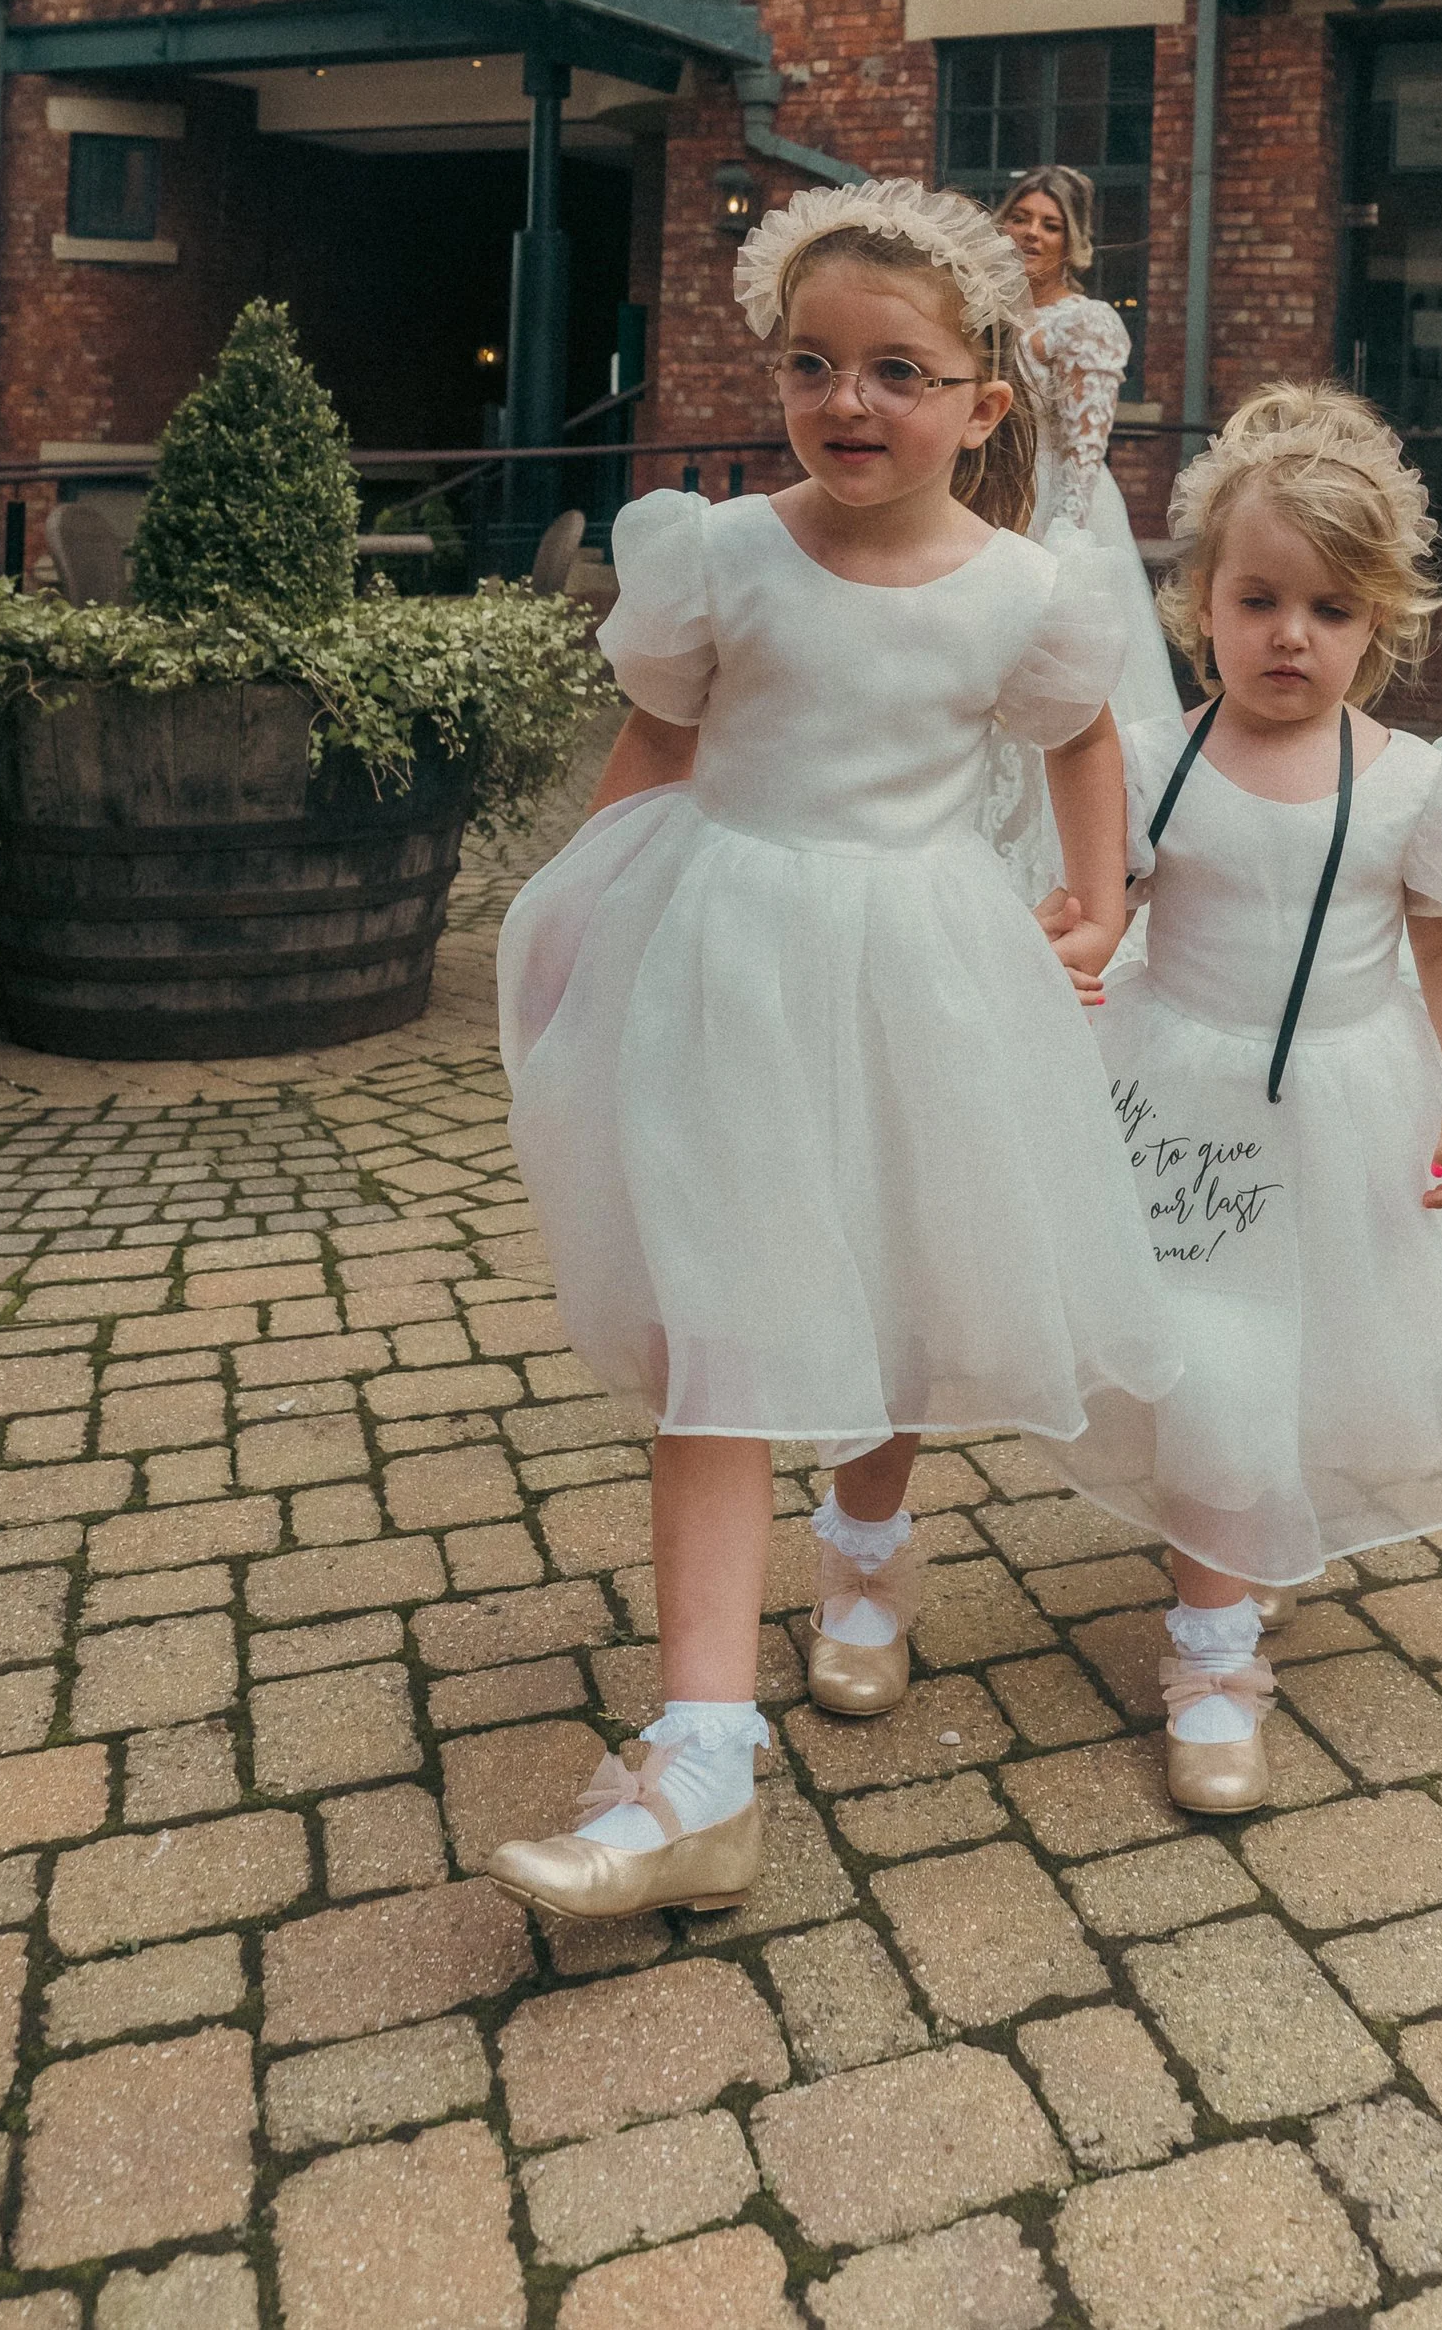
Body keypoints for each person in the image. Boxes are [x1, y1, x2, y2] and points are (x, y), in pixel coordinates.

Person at [486, 180, 1171, 1919]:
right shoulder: (721, 555)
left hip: (920, 970)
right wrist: (573, 912)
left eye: (896, 370)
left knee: (891, 1273)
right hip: (723, 959)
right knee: (718, 1326)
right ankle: (706, 1756)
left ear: (981, 406)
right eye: (811, 363)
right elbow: (655, 742)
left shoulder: (1021, 590)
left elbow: (1084, 734)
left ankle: (864, 1551)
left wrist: (1093, 904)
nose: (848, 401)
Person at [1052, 381, 1442, 1814]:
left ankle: (1245, 1542)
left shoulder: (1419, 784)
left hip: (1350, 1100)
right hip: (1184, 1105)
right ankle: (1214, 1654)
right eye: (1260, 598)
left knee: (1311, 1355)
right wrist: (1073, 968)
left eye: (1333, 609)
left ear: (1383, 623)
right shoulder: (1158, 766)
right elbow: (1105, 906)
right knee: (1211, 1354)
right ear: (1201, 607)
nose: (1293, 635)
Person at [983, 164, 1183, 897]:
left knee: (1065, 674)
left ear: (1073, 241)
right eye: (1021, 217)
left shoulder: (1087, 323)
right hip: (992, 503)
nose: (1031, 233)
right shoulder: (989, 311)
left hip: (1060, 506)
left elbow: (1086, 447)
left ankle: (1084, 860)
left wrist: (1060, 543)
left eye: (1049, 223)